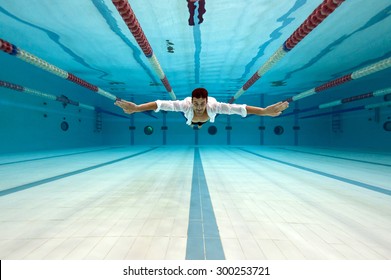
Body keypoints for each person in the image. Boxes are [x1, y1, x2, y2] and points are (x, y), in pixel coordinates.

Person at [114, 87, 289, 128]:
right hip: (190, 120)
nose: (198, 107)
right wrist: (137, 108)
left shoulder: (214, 107)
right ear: (191, 100)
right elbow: (160, 104)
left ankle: (198, 124)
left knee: (201, 121)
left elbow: (239, 108)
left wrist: (265, 112)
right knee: (193, 123)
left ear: (206, 101)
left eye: (201, 103)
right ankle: (196, 124)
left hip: (207, 119)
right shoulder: (186, 106)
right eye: (196, 103)